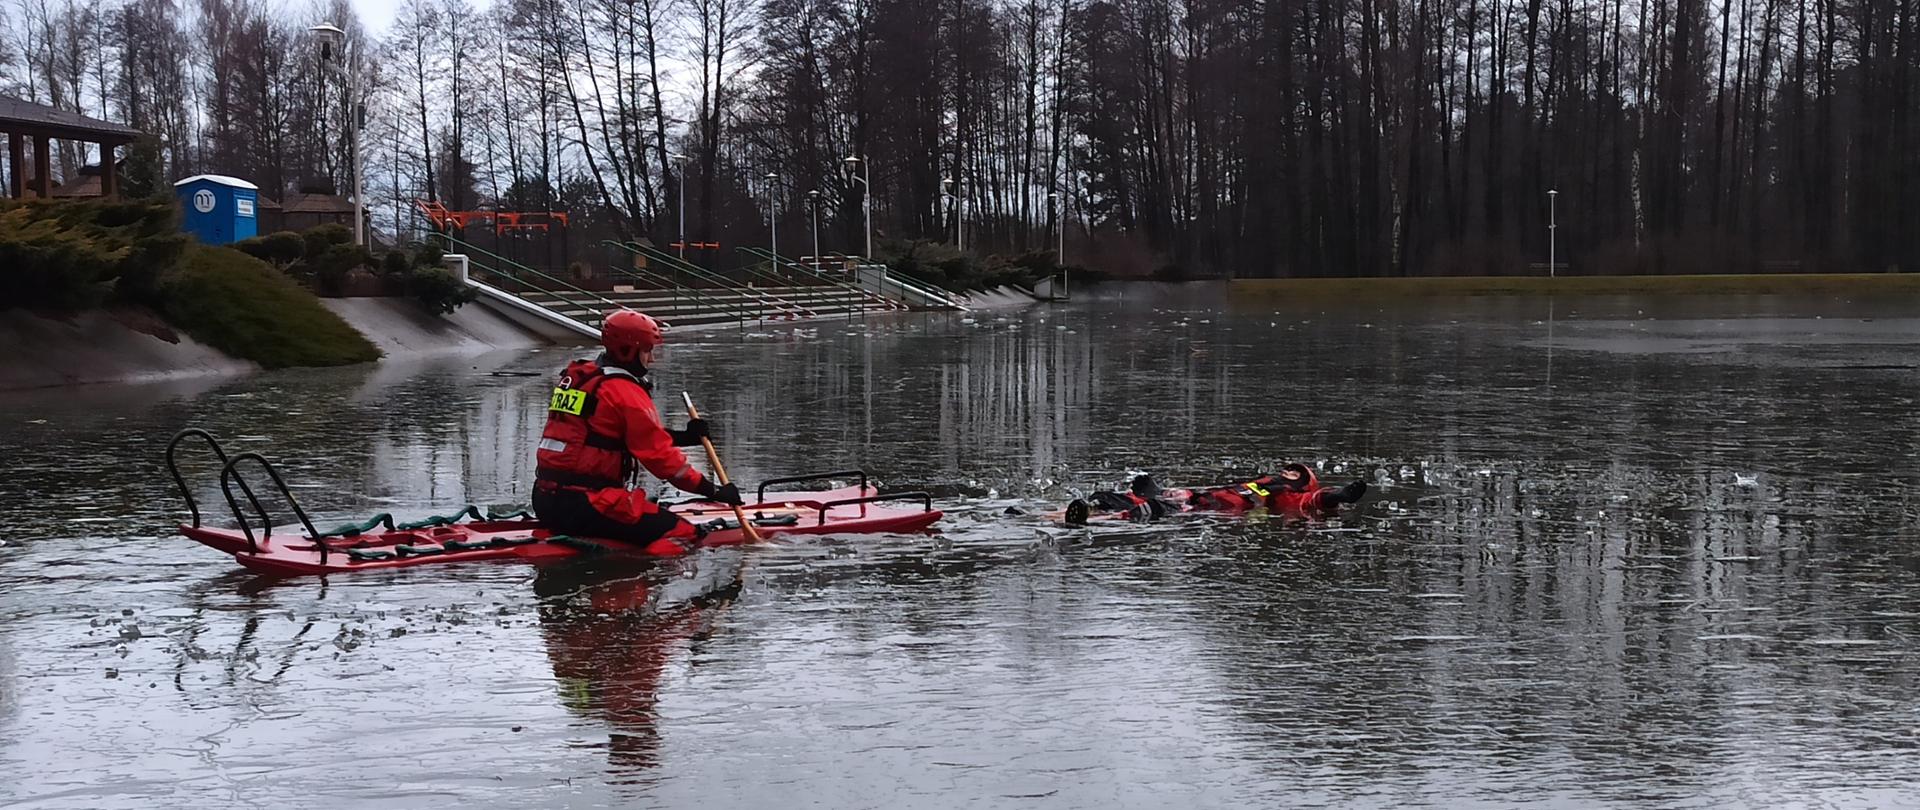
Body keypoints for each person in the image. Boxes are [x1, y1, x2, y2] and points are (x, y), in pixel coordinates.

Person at [531, 309, 743, 554]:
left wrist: (685, 438)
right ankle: (635, 578)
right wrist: (713, 491)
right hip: (588, 503)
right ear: (628, 351)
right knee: (684, 533)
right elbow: (663, 462)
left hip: (546, 499)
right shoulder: (624, 391)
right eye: (647, 350)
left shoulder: (579, 378)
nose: (651, 359)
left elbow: (610, 436)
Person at [1064, 463, 1367, 526]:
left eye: (1292, 473)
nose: (1284, 473)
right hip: (1194, 498)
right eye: (1286, 470)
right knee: (1110, 496)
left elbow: (1319, 499)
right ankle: (1036, 514)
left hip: (1199, 510)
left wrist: (1343, 495)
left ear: (1300, 482)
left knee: (1148, 510)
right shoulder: (1260, 482)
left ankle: (1088, 521)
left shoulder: (1289, 495)